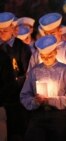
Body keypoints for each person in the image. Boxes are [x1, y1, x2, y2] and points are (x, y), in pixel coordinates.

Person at [20, 35, 66, 141]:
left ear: (55, 52)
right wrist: (34, 101)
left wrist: (51, 100)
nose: (46, 59)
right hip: (38, 115)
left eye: (49, 56)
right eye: (43, 56)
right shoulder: (35, 71)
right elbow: (24, 95)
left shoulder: (65, 70)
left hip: (59, 116)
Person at [0, 12, 31, 141]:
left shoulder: (22, 48)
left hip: (17, 98)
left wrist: (15, 83)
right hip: (1, 98)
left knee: (16, 132)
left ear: (13, 29)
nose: (1, 33)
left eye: (5, 30)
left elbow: (27, 73)